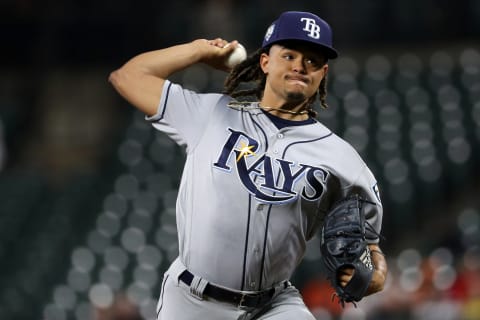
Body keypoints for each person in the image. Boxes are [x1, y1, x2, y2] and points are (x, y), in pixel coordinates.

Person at [109, 10, 387, 320]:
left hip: (274, 306)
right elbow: (127, 77)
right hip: (192, 302)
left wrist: (375, 276)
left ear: (323, 73)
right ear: (265, 62)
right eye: (290, 54)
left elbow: (370, 249)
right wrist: (199, 50)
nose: (299, 66)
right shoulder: (210, 114)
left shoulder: (342, 159)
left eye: (311, 60)